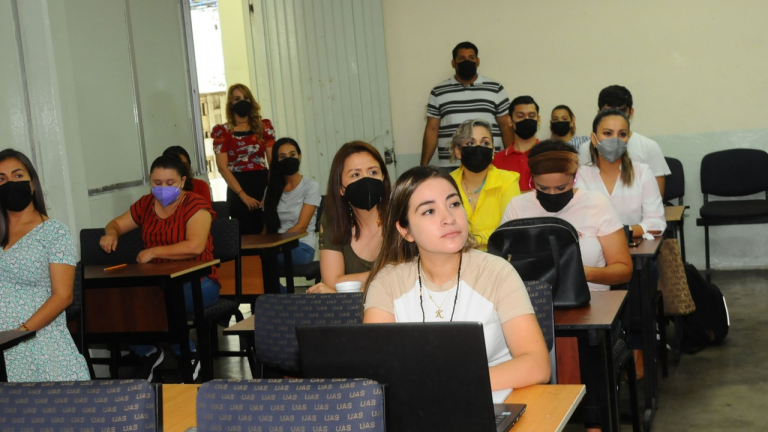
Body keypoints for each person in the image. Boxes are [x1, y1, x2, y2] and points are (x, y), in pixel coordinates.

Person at [363, 166, 550, 397]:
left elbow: (537, 365)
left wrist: (454, 381)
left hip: (493, 403)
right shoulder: (387, 283)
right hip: (419, 409)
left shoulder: (497, 272)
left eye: (454, 204)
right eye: (429, 211)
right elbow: (379, 370)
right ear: (405, 230)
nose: (449, 219)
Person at [99, 155, 219, 380]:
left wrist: (154, 251)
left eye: (170, 183)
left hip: (198, 282)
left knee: (160, 303)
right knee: (119, 302)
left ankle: (188, 352)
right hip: (159, 281)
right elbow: (115, 223)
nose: (163, 188)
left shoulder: (195, 205)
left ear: (182, 181)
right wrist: (111, 233)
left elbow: (195, 246)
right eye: (157, 183)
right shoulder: (145, 204)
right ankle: (148, 352)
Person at [0, 149, 90, 382]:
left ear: (32, 184)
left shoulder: (54, 232)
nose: (10, 183)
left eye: (18, 176)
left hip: (39, 344)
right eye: (1, 179)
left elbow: (63, 296)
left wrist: (19, 332)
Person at [501, 140, 632, 291]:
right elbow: (501, 263)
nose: (552, 194)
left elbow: (624, 271)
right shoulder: (517, 207)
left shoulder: (596, 204)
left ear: (574, 178)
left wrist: (579, 272)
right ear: (532, 179)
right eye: (542, 187)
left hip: (591, 301)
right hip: (531, 301)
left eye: (561, 187)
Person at [308, 142, 391, 293]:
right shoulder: (333, 219)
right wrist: (385, 275)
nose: (366, 180)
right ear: (340, 189)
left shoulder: (400, 213)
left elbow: (414, 275)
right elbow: (332, 281)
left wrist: (354, 285)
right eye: (355, 175)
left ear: (383, 178)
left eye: (373, 172)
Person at [421, 41, 514, 168]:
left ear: (478, 61)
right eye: (462, 58)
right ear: (453, 63)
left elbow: (506, 127)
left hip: (489, 162)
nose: (467, 61)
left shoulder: (495, 88)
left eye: (471, 58)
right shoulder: (438, 91)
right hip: (451, 164)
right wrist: (423, 165)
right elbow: (432, 129)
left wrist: (511, 159)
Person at [576, 109, 667, 237]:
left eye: (622, 134)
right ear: (594, 139)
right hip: (594, 252)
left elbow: (656, 223)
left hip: (635, 250)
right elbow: (577, 224)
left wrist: (623, 233)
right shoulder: (581, 175)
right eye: (607, 133)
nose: (615, 140)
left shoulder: (642, 172)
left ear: (628, 139)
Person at [577, 85, 670, 196]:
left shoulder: (649, 146)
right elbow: (581, 194)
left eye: (621, 111)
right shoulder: (586, 148)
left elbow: (657, 195)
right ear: (599, 113)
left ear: (631, 113)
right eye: (609, 111)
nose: (615, 116)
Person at [212, 83, 275, 234]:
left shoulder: (264, 127)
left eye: (245, 98)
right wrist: (243, 195)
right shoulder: (223, 131)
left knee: (268, 235)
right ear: (230, 103)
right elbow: (222, 167)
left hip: (262, 184)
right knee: (244, 238)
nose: (242, 101)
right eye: (237, 98)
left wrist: (269, 193)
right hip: (237, 187)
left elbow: (273, 164)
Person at [449, 119, 520, 244]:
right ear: (458, 151)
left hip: (498, 258)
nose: (478, 148)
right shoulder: (447, 183)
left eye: (485, 143)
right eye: (470, 143)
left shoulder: (507, 180)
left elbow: (511, 230)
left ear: (492, 151)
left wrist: (468, 240)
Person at [263, 137, 321, 267]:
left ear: (299, 157)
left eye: (292, 155)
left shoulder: (310, 186)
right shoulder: (271, 190)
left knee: (263, 262)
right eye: (282, 157)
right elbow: (266, 228)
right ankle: (282, 289)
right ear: (277, 161)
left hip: (301, 246)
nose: (288, 159)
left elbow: (301, 227)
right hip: (276, 247)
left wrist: (274, 243)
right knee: (251, 263)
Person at [492, 96, 540, 192]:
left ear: (538, 120)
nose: (526, 119)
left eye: (531, 116)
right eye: (520, 116)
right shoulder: (496, 160)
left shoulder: (549, 154)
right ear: (510, 121)